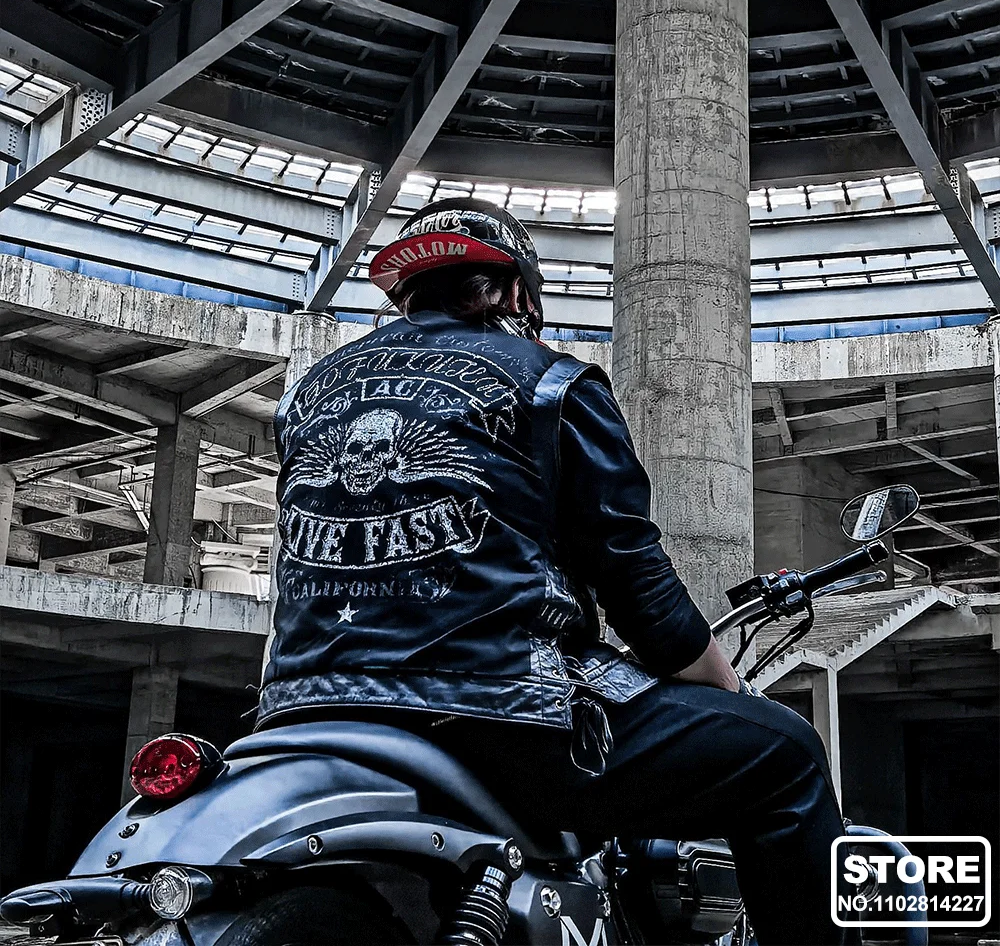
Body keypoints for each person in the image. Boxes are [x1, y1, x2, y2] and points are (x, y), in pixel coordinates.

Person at [259, 198, 846, 945]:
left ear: (404, 292)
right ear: (515, 292)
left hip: (302, 706)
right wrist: (726, 690)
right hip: (497, 711)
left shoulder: (309, 392)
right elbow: (634, 578)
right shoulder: (552, 381)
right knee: (787, 756)